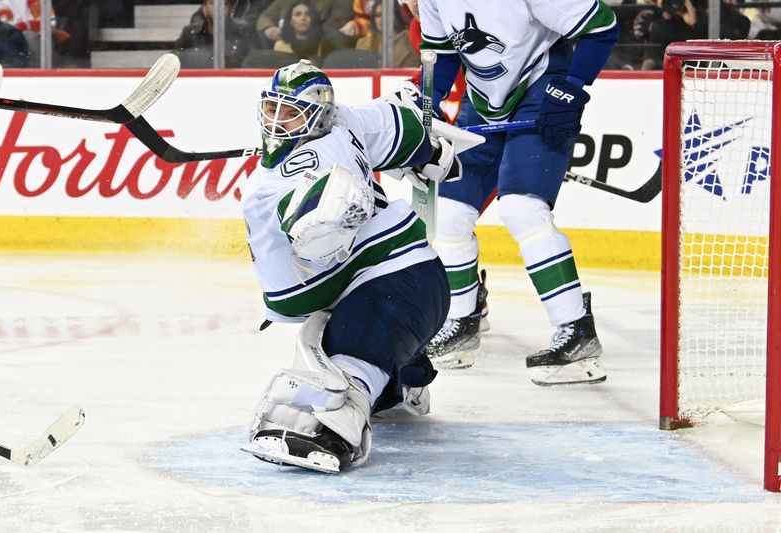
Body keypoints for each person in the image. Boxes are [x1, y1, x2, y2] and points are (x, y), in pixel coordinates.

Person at [241, 60, 464, 472]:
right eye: (273, 109)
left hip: (397, 282)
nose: (277, 121)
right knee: (340, 325)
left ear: (317, 114)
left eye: (290, 112)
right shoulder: (346, 122)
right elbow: (403, 128)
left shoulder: (270, 185)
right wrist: (432, 153)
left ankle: (333, 426)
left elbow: (292, 300)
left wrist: (317, 217)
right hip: (416, 285)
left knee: (345, 347)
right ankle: (402, 388)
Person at [416, 0, 619, 385]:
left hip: (541, 92)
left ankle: (576, 330)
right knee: (449, 214)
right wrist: (428, 98)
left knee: (522, 209)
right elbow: (443, 54)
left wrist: (573, 86)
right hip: (481, 103)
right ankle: (462, 319)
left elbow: (602, 27)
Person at [174, 0, 251, 67]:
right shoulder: (190, 33)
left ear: (230, 9)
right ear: (204, 9)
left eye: (225, 4)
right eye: (212, 3)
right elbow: (176, 59)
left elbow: (251, 60)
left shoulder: (242, 31)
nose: (218, 8)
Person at [355, 0, 418, 68]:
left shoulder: (411, 39)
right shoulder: (363, 43)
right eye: (378, 15)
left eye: (386, 14)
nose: (383, 19)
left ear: (396, 15)